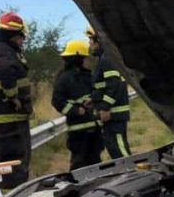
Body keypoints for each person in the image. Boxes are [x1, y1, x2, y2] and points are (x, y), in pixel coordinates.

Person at [0, 11, 33, 189]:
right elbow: (5, 71)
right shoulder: (4, 52)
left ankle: (13, 191)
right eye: (21, 36)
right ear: (13, 35)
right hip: (10, 118)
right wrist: (14, 97)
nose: (23, 40)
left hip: (5, 118)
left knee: (9, 158)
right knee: (16, 160)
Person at [51, 38, 103, 171]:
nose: (88, 61)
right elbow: (57, 101)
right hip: (78, 130)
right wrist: (75, 111)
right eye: (85, 58)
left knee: (95, 162)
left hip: (94, 127)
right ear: (78, 59)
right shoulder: (65, 78)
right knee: (79, 163)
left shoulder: (87, 75)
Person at [87, 28, 132, 159]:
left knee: (120, 151)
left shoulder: (107, 59)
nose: (90, 44)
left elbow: (114, 84)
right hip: (111, 115)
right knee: (114, 149)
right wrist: (94, 99)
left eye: (91, 40)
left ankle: (133, 174)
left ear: (99, 41)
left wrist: (105, 107)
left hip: (114, 114)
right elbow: (104, 86)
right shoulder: (105, 59)